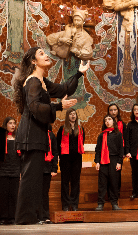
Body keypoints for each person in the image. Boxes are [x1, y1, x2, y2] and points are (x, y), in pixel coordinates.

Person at [13, 47, 88, 224]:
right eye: (41, 54)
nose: (46, 55)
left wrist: (79, 74)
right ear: (33, 61)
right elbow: (35, 107)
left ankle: (30, 218)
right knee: (30, 179)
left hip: (37, 135)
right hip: (31, 136)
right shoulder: (33, 81)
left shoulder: (42, 80)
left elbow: (64, 89)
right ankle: (24, 219)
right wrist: (58, 107)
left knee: (35, 180)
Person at [57, 108, 85, 212]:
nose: (73, 115)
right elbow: (57, 143)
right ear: (67, 116)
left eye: (74, 114)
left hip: (77, 158)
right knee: (65, 182)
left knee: (75, 182)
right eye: (71, 114)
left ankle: (74, 204)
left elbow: (82, 142)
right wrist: (59, 156)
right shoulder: (62, 128)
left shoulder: (80, 129)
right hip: (65, 158)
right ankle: (65, 205)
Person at [94, 115, 123, 211]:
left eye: (109, 119)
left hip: (114, 160)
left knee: (114, 183)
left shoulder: (118, 134)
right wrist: (97, 161)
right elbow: (98, 149)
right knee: (102, 183)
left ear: (113, 122)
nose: (107, 121)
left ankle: (114, 203)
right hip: (103, 160)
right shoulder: (101, 135)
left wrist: (119, 162)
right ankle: (100, 203)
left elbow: (121, 149)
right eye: (105, 120)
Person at [0, 117, 21, 225]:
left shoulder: (18, 138)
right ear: (6, 125)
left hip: (15, 170)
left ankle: (12, 217)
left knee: (13, 195)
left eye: (14, 123)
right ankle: (3, 217)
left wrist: (21, 171)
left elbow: (22, 157)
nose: (13, 125)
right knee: (3, 195)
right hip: (3, 171)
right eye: (10, 123)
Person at [108, 103, 127, 196]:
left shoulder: (122, 124)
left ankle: (117, 193)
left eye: (115, 110)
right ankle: (110, 193)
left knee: (117, 173)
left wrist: (124, 152)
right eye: (111, 110)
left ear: (118, 111)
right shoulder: (106, 124)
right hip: (108, 153)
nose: (113, 112)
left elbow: (125, 138)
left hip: (119, 152)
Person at [41, 124, 58, 224]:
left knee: (44, 193)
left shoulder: (51, 135)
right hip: (36, 168)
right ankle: (37, 215)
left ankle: (45, 216)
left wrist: (54, 168)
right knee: (35, 193)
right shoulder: (36, 134)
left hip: (47, 168)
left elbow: (55, 152)